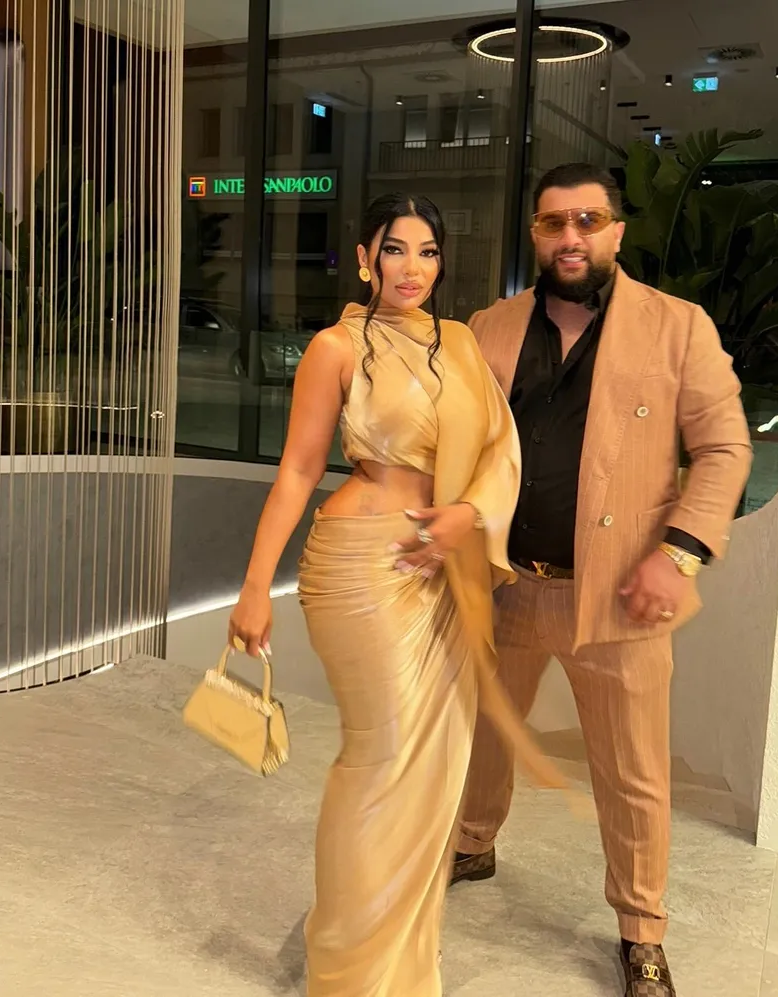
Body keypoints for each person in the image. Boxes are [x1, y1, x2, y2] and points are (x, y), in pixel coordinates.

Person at [228, 192, 565, 996]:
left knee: (433, 766)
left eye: (427, 251)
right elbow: (299, 469)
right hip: (360, 567)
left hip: (440, 570)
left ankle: (398, 958)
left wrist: (466, 515)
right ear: (363, 258)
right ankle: (346, 964)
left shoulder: (459, 344)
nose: (412, 268)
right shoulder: (335, 347)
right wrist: (254, 586)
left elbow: (500, 450)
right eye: (394, 249)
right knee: (379, 759)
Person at [446, 163, 752, 996]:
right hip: (506, 582)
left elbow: (725, 447)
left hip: (619, 594)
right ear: (536, 235)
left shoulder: (676, 326)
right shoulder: (489, 328)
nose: (570, 237)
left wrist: (679, 551)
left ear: (617, 229)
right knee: (483, 731)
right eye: (553, 222)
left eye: (587, 220)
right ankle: (472, 841)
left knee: (632, 770)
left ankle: (642, 930)